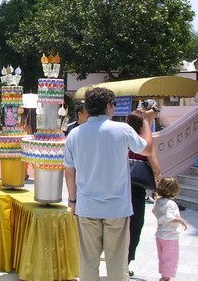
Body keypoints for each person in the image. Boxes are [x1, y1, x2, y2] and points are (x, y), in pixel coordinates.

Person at [64, 87, 153, 281]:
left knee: (87, 261)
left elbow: (69, 171)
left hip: (87, 206)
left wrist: (72, 200)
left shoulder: (75, 134)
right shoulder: (122, 129)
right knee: (117, 262)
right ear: (108, 106)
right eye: (113, 104)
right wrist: (145, 122)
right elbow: (147, 149)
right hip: (116, 207)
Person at [126, 109, 161, 276]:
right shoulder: (144, 142)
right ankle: (124, 263)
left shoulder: (122, 137)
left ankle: (117, 261)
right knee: (135, 225)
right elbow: (156, 166)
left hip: (119, 185)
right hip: (136, 188)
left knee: (119, 226)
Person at [152, 177, 187, 281]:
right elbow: (169, 216)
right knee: (170, 258)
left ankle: (164, 275)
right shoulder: (171, 204)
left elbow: (155, 211)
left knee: (162, 256)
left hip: (160, 235)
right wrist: (180, 220)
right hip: (170, 236)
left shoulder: (158, 201)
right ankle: (165, 278)